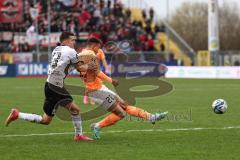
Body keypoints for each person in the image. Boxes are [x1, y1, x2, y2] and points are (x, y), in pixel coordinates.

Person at [5, 32, 93, 141]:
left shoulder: (56, 49)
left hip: (52, 85)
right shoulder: (71, 51)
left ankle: (78, 135)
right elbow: (81, 68)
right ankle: (17, 114)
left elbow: (70, 65)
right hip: (55, 87)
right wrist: (92, 64)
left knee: (73, 110)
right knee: (46, 120)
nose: (74, 42)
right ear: (65, 41)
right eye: (72, 40)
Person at [78, 37, 168, 140]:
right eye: (98, 47)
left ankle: (151, 117)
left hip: (100, 88)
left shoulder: (81, 55)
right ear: (94, 45)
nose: (99, 50)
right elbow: (97, 72)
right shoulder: (90, 54)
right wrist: (112, 81)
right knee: (121, 113)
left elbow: (86, 71)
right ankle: (97, 126)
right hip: (96, 92)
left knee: (124, 104)